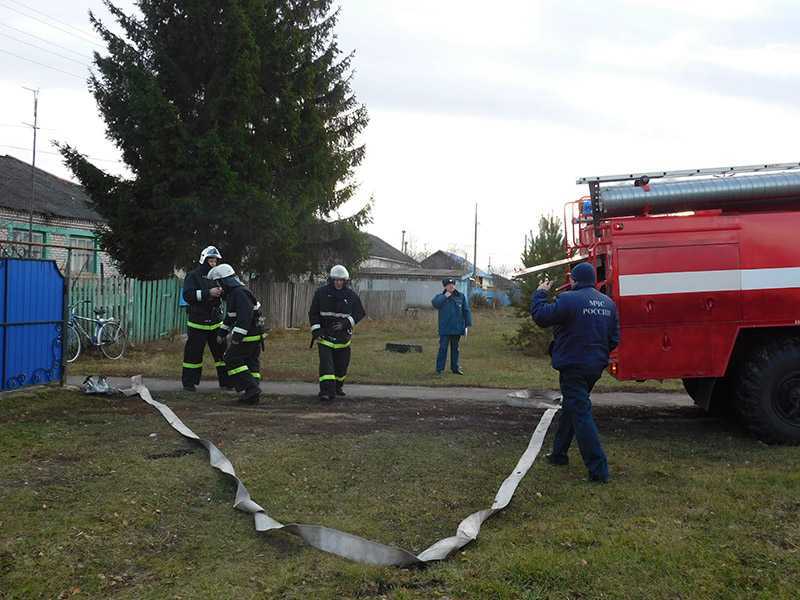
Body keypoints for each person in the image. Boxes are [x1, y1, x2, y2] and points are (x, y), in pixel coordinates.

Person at [531, 262, 619, 483]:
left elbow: (541, 316)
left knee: (580, 412)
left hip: (573, 366)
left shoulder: (569, 299)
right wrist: (598, 355)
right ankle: (559, 454)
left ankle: (598, 470)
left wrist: (540, 293)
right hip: (594, 366)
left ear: (574, 280)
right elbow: (614, 338)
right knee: (572, 406)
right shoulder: (608, 303)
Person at [207, 263, 265, 404]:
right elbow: (231, 316)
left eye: (219, 283)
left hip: (248, 335)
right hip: (253, 334)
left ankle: (251, 389)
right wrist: (222, 333)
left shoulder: (239, 293)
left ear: (224, 281)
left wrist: (237, 337)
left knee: (231, 359)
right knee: (251, 363)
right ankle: (252, 394)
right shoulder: (236, 293)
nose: (219, 287)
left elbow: (245, 317)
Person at [309, 265, 365, 401]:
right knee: (326, 366)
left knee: (341, 368)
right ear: (331, 280)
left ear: (345, 281)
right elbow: (313, 313)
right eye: (336, 280)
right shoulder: (321, 293)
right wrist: (316, 330)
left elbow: (360, 313)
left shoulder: (351, 296)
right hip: (325, 336)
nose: (338, 283)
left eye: (341, 280)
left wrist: (346, 323)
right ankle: (326, 391)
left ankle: (338, 386)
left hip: (343, 338)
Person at [181, 246, 229, 392]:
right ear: (204, 260)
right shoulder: (193, 276)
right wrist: (208, 292)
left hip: (216, 323)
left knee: (222, 355)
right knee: (193, 355)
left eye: (215, 261)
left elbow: (226, 295)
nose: (213, 264)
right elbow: (187, 295)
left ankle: (226, 382)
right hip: (197, 324)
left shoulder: (218, 276)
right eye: (211, 260)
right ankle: (189, 383)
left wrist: (222, 292)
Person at [431, 277, 472, 375]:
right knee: (443, 349)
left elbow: (466, 311)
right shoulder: (440, 297)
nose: (451, 286)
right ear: (445, 286)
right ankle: (439, 369)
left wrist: (467, 324)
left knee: (455, 349)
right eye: (449, 285)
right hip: (445, 328)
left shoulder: (461, 296)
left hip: (457, 328)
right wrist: (446, 296)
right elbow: (435, 304)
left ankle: (455, 368)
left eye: (453, 284)